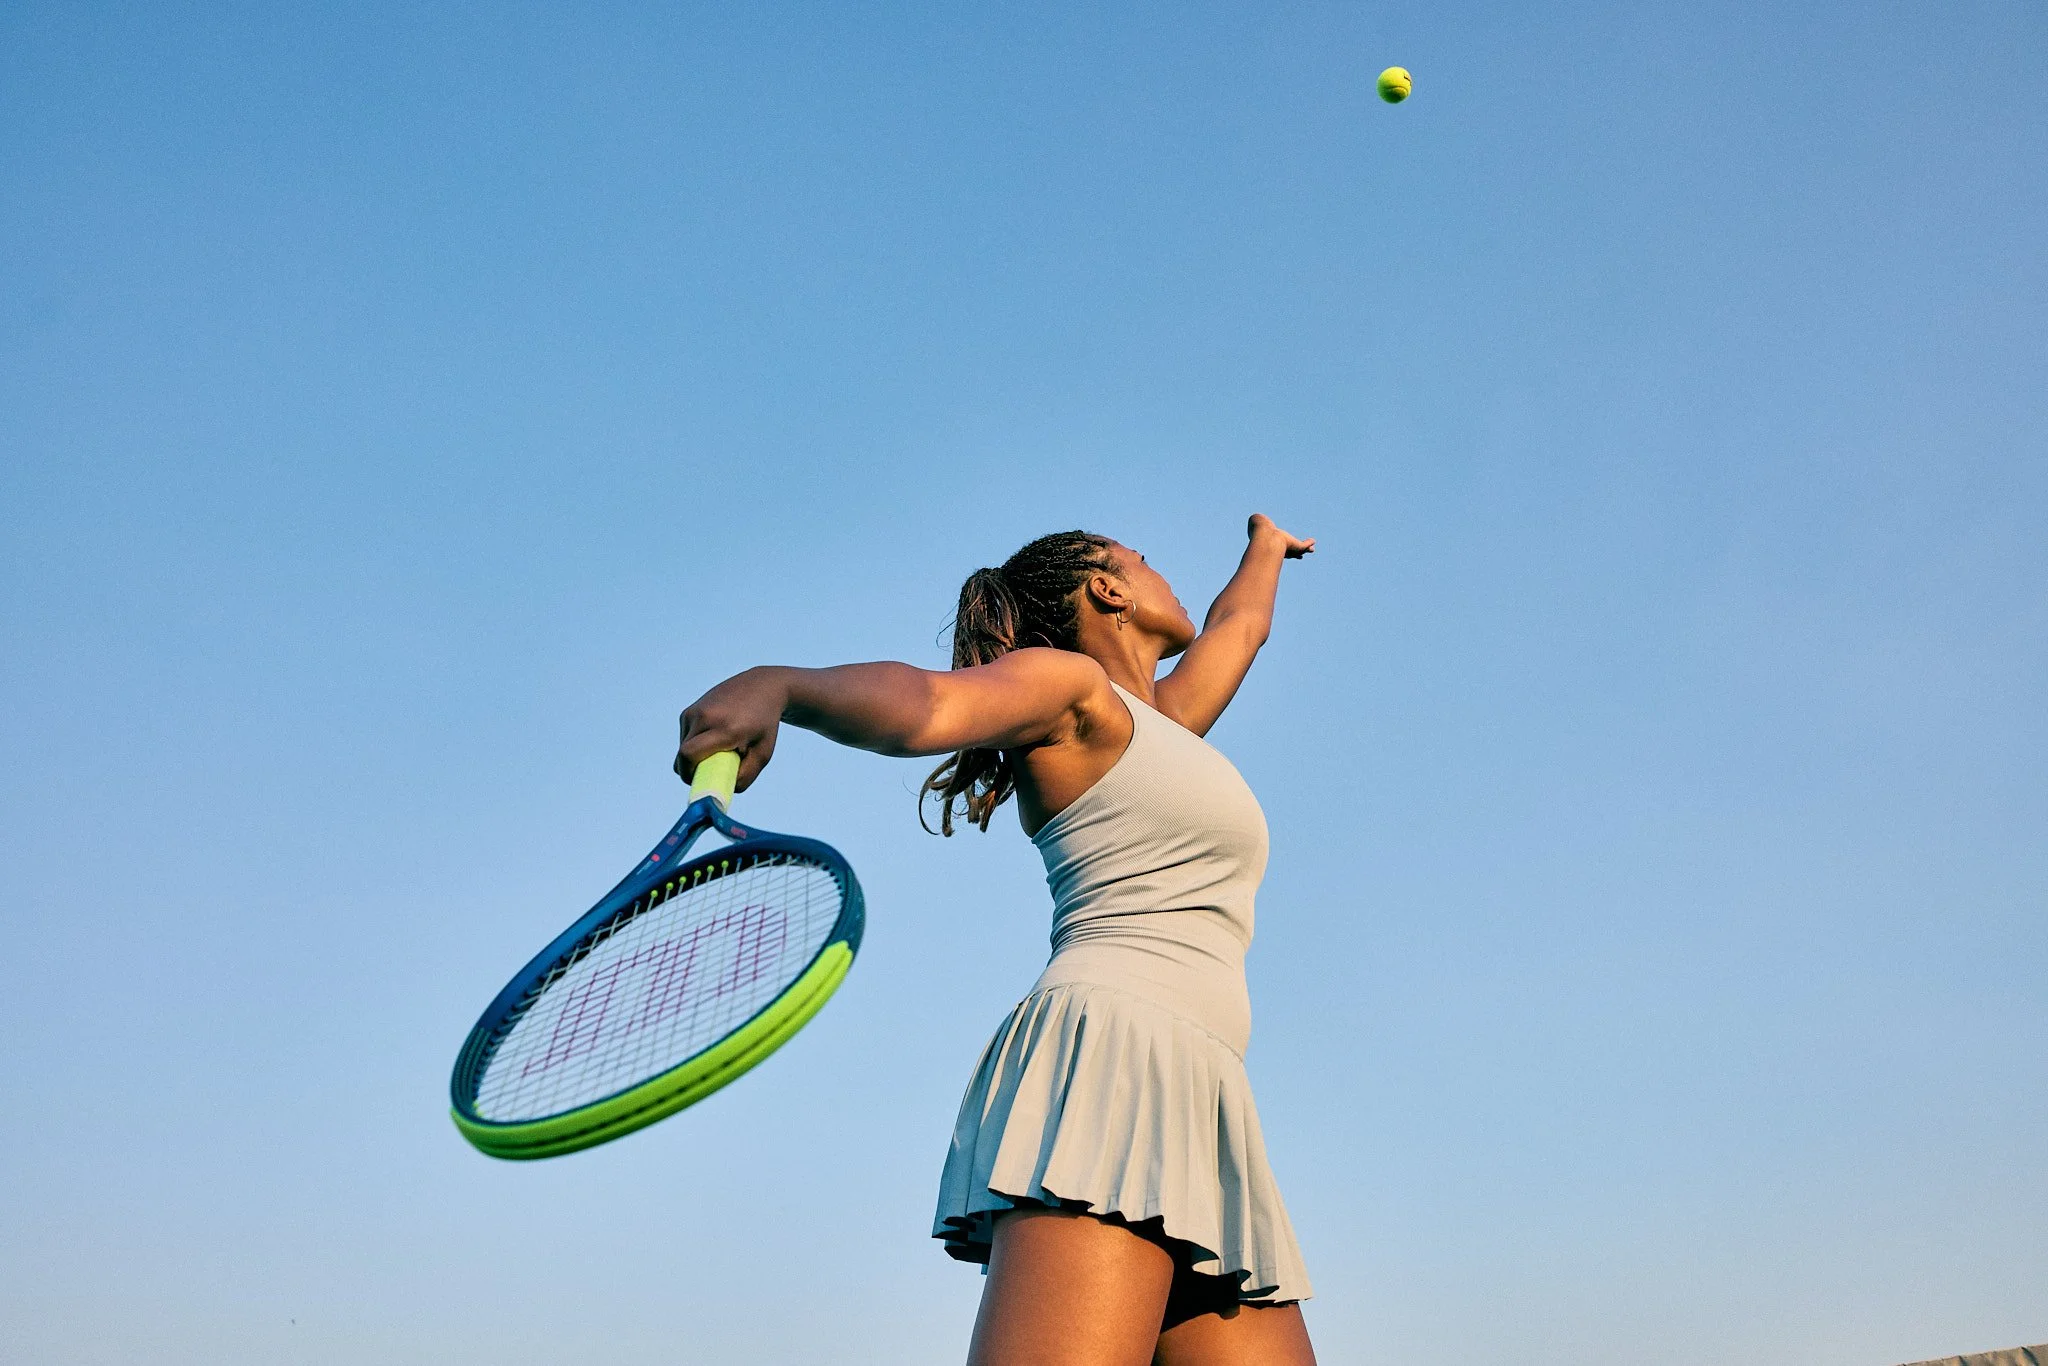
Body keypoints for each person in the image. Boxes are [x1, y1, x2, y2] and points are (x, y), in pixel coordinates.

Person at [675, 514, 1318, 1366]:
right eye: (1144, 559)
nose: (1163, 573)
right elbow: (931, 704)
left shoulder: (1165, 722)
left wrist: (1266, 548)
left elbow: (1241, 625)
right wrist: (782, 686)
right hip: (1117, 1058)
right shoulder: (1070, 691)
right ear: (1108, 587)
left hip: (1207, 1088)